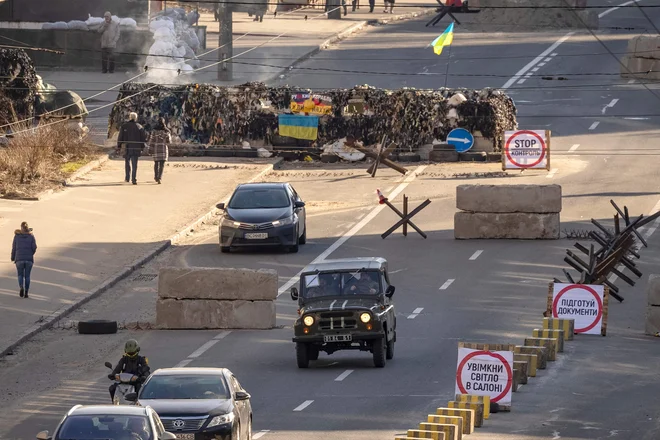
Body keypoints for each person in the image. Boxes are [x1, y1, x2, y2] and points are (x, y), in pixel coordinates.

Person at [117, 112, 147, 185]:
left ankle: (127, 178)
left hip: (127, 147)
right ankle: (134, 179)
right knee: (134, 164)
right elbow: (143, 138)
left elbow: (120, 137)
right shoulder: (139, 127)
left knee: (127, 162)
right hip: (136, 147)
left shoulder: (124, 126)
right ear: (136, 118)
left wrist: (119, 146)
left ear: (129, 117)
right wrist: (142, 147)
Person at [10, 221, 37, 298]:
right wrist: (31, 254)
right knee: (27, 276)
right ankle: (26, 292)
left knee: (20, 274)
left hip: (19, 259)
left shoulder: (16, 237)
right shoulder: (31, 236)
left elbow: (14, 248)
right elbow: (34, 247)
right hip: (29, 259)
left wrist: (13, 257)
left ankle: (21, 286)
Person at [148, 118, 171, 184]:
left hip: (156, 149)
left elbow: (151, 141)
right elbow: (169, 142)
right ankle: (160, 177)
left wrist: (150, 149)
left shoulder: (154, 132)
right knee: (162, 164)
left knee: (156, 163)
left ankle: (156, 176)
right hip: (163, 149)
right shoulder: (166, 132)